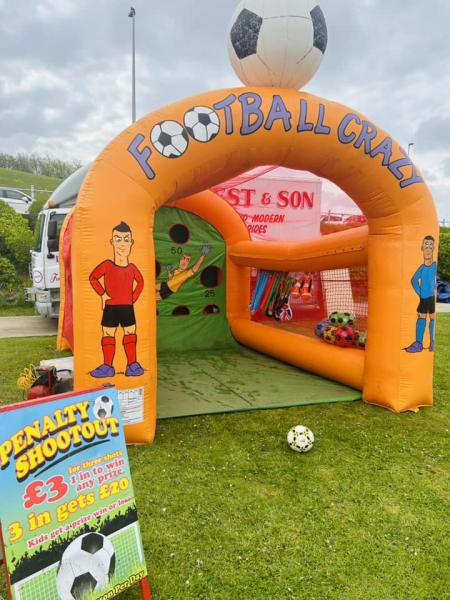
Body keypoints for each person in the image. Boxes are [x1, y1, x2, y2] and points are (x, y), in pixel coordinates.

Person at [89, 221, 144, 377]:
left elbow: (141, 282)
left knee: (130, 333)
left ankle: (132, 364)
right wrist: (102, 294)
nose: (122, 244)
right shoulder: (107, 265)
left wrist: (133, 298)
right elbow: (93, 277)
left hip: (127, 307)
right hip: (111, 306)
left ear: (131, 243)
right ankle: (108, 366)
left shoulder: (132, 268)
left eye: (126, 239)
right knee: (108, 334)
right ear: (112, 242)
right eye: (118, 239)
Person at [405, 235, 437, 353]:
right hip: (424, 299)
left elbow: (435, 279)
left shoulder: (435, 266)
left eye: (430, 246)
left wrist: (435, 287)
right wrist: (420, 293)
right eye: (426, 246)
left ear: (433, 248)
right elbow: (414, 280)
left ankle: (432, 342)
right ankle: (418, 343)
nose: (428, 249)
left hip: (432, 298)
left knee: (433, 318)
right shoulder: (422, 268)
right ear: (422, 248)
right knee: (421, 317)